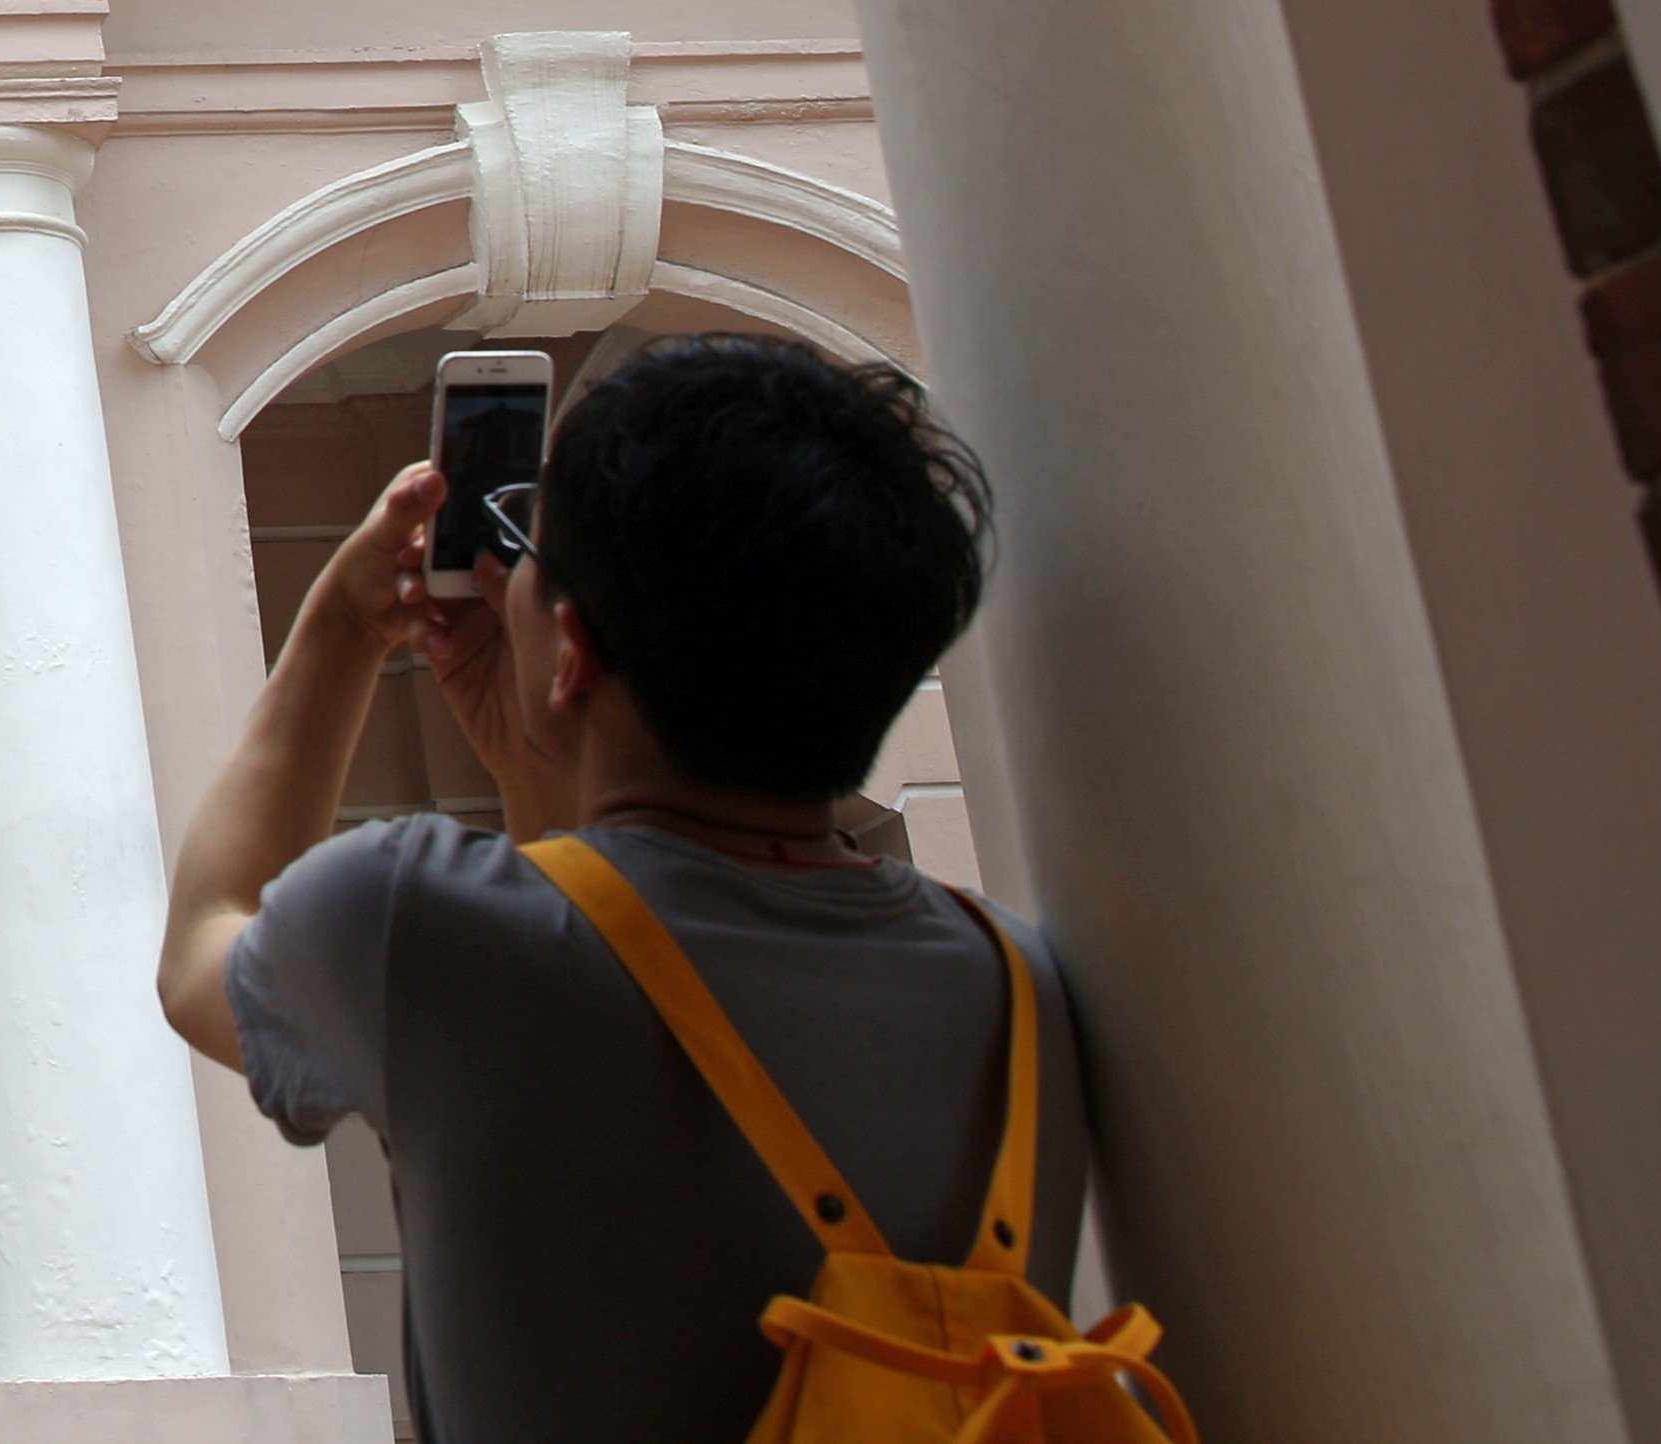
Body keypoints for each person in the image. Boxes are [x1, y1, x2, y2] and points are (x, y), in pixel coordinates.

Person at [156, 332, 1092, 1444]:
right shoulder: (1018, 987)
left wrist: (344, 627)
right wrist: (534, 764)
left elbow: (206, 945)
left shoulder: (412, 922)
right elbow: (612, 947)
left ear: (575, 647)